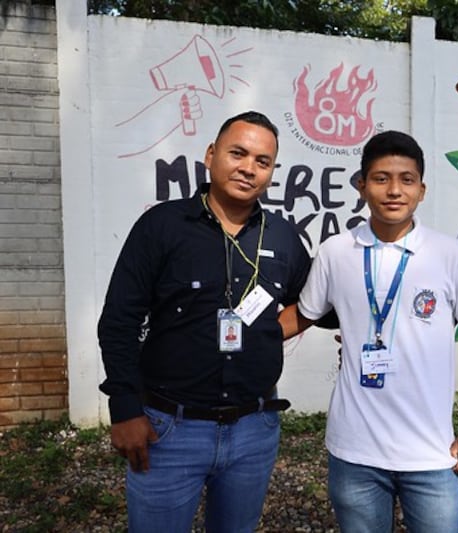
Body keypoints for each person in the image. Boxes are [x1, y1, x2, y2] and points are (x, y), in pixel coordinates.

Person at [98, 111, 310, 532]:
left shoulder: (283, 236)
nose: (249, 168)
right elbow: (119, 320)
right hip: (167, 430)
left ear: (271, 172)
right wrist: (124, 408)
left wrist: (270, 333)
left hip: (254, 430)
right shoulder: (161, 226)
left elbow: (314, 303)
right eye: (238, 153)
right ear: (211, 155)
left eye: (262, 161)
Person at [279, 131, 458, 533]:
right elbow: (302, 316)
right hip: (355, 453)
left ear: (422, 189)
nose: (394, 190)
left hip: (431, 454)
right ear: (361, 185)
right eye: (381, 178)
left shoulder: (450, 255)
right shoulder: (335, 252)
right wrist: (232, 339)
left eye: (406, 179)